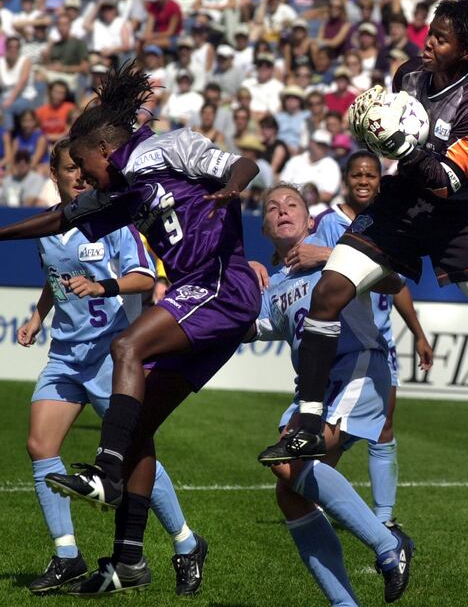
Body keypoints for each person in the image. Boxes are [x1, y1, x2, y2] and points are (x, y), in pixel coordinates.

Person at [258, 0, 468, 474]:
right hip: (403, 203)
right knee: (330, 291)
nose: (428, 42)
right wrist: (375, 134)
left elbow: (446, 179)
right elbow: (405, 156)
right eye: (430, 32)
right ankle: (309, 424)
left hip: (463, 214)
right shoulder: (408, 76)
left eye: (441, 37)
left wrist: (401, 146)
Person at [0, 62, 261, 595]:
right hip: (200, 302)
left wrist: (232, 189)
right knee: (139, 427)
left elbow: (245, 162)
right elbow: (61, 218)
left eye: (84, 165)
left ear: (101, 149)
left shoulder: (168, 148)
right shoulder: (122, 191)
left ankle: (107, 470)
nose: (84, 176)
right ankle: (130, 560)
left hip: (218, 285)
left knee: (127, 344)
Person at [18, 139, 204, 596]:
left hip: (109, 358)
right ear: (54, 174)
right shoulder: (48, 227)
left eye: (83, 170)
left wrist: (102, 286)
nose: (79, 177)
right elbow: (55, 279)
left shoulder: (111, 222)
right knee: (40, 445)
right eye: (69, 170)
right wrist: (39, 315)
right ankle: (67, 556)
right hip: (65, 357)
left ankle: (186, 542)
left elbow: (145, 276)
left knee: (137, 452)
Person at [251, 184, 415, 605]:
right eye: (273, 208)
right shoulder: (273, 288)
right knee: (289, 488)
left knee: (294, 461)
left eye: (292, 205)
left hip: (357, 367)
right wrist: (239, 278)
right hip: (314, 389)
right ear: (266, 227)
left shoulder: (333, 238)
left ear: (309, 219)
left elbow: (392, 277)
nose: (282, 210)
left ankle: (387, 544)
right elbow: (245, 328)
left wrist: (326, 256)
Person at [286, 151, 433, 523]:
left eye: (370, 175)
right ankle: (313, 494)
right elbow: (306, 261)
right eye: (357, 175)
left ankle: (384, 517)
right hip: (342, 342)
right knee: (330, 429)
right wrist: (325, 254)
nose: (363, 181)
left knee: (384, 425)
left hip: (381, 341)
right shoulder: (329, 223)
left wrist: (417, 332)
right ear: (346, 180)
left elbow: (395, 283)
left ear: (379, 181)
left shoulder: (386, 222)